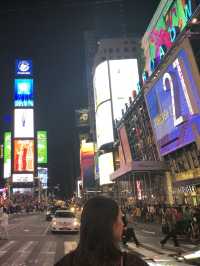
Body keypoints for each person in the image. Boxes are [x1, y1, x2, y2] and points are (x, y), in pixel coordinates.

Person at [55, 196, 148, 266]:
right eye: (120, 218)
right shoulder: (132, 263)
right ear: (109, 225)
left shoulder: (66, 262)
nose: (123, 224)